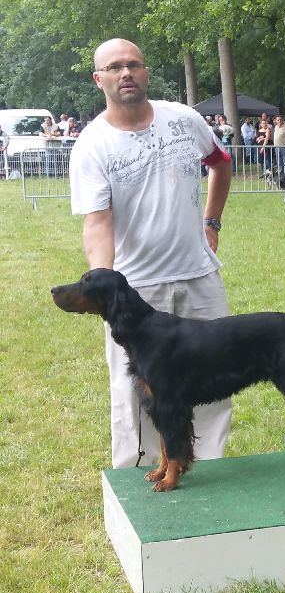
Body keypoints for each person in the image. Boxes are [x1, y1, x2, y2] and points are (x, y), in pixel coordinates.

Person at [68, 38, 233, 468]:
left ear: (146, 73)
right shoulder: (92, 144)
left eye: (134, 65)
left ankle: (209, 468)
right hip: (138, 291)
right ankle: (139, 476)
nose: (127, 73)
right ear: (98, 78)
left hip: (199, 277)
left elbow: (220, 161)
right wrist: (103, 285)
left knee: (215, 378)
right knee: (136, 394)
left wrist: (211, 223)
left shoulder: (183, 119)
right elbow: (97, 222)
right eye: (115, 67)